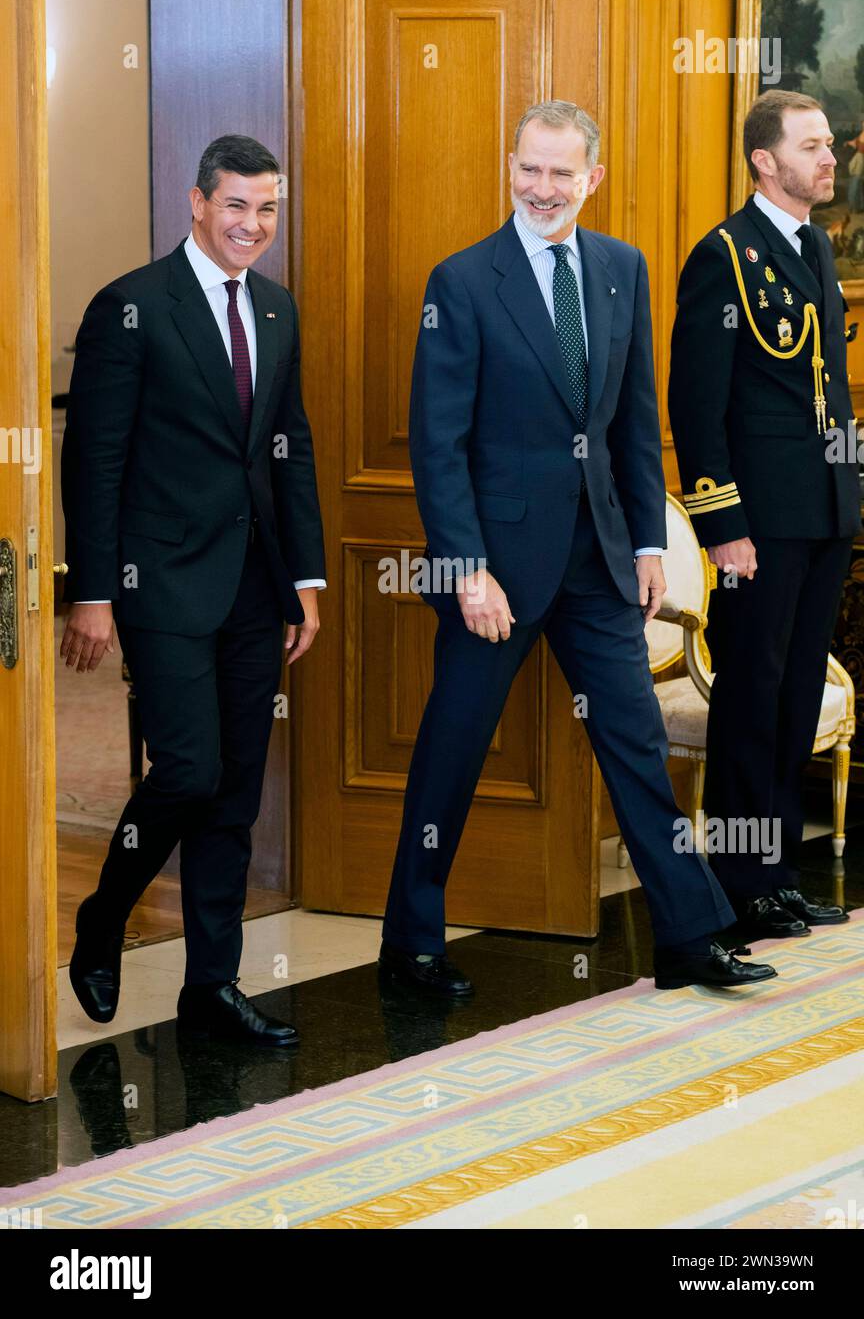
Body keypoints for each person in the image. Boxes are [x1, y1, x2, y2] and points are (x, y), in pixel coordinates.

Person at [379, 100, 777, 995]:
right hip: (495, 574)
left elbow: (635, 422)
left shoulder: (621, 270)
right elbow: (436, 445)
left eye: (562, 173)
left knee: (634, 744)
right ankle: (410, 944)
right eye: (529, 169)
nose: (542, 188)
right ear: (509, 165)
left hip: (598, 561)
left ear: (592, 178)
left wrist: (646, 542)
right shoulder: (463, 280)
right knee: (454, 750)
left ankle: (688, 934)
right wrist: (465, 569)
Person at [62, 135, 326, 1045]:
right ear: (197, 202)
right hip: (161, 581)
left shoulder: (280, 312)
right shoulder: (131, 307)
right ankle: (103, 919)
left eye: (267, 209)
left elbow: (291, 451)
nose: (252, 225)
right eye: (236, 206)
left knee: (237, 791)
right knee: (187, 770)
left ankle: (211, 987)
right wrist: (91, 592)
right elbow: (92, 460)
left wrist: (306, 579)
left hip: (258, 588)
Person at [668, 90, 858, 941]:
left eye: (829, 146)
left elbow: (830, 389)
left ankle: (777, 874)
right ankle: (742, 883)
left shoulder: (814, 245)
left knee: (792, 696)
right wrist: (722, 524)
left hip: (820, 514)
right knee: (750, 699)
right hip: (758, 525)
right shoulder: (725, 256)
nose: (830, 160)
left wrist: (847, 499)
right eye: (813, 147)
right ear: (764, 160)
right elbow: (697, 405)